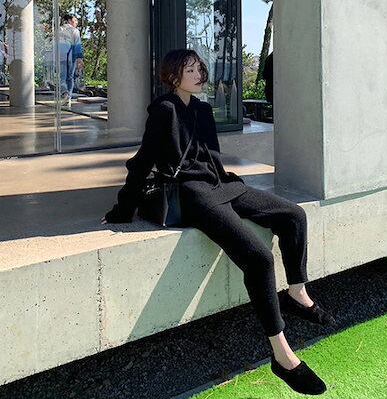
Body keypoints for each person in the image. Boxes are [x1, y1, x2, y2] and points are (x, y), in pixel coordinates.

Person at [101, 49, 336, 395]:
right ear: (172, 76)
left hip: (218, 184)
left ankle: (297, 292)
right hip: (192, 193)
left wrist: (228, 182)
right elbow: (143, 161)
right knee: (259, 258)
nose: (199, 74)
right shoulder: (164, 110)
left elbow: (211, 157)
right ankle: (282, 355)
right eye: (190, 69)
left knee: (293, 215)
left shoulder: (203, 110)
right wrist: (124, 209)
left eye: (200, 67)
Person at [59, 14, 84, 108]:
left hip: (61, 56)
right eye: (75, 20)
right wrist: (79, 58)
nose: (76, 22)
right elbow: (77, 44)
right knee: (70, 77)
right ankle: (68, 96)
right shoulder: (74, 30)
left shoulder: (59, 29)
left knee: (62, 77)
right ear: (69, 20)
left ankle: (65, 94)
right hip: (71, 56)